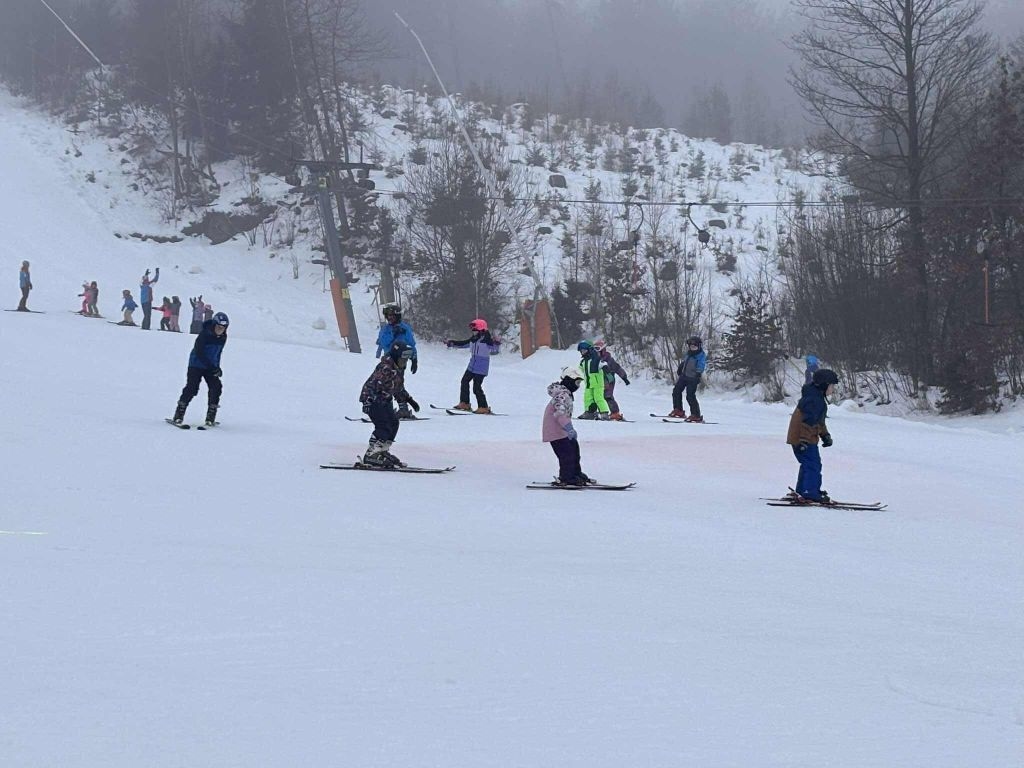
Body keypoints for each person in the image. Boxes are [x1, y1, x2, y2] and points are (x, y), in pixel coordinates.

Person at [358, 340, 420, 467]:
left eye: (406, 359)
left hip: (384, 400)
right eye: (403, 359)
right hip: (372, 399)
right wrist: (370, 402)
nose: (405, 362)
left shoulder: (397, 368)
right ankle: (371, 454)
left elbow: (397, 387)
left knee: (393, 423)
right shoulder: (386, 368)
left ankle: (382, 450)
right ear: (396, 356)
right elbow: (377, 385)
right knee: (383, 425)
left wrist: (409, 400)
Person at [786, 368, 839, 503]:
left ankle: (803, 490)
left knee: (808, 464)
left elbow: (818, 421)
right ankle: (810, 492)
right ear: (823, 385)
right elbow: (808, 422)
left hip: (803, 437)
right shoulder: (814, 400)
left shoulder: (815, 397)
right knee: (813, 465)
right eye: (832, 386)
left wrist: (825, 435)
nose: (833, 389)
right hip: (804, 438)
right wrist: (803, 441)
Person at [171, 312, 230, 427]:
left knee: (216, 387)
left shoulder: (223, 337)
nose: (220, 330)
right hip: (196, 364)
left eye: (223, 328)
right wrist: (211, 366)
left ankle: (210, 417)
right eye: (218, 327)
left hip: (210, 367)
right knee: (192, 388)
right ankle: (179, 415)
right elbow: (199, 352)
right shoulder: (204, 334)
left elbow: (218, 353)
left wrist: (217, 367)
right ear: (214, 325)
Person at [542, 366, 591, 486]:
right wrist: (569, 429)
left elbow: (565, 415)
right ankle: (566, 476)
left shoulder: (566, 394)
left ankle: (575, 472)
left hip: (562, 432)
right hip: (555, 433)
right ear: (569, 380)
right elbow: (560, 414)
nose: (578, 386)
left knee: (574, 449)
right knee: (566, 454)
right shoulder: (562, 395)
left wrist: (569, 429)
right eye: (577, 382)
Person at [446, 318, 500, 414]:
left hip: (481, 368)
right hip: (472, 365)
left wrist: (497, 343)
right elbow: (463, 344)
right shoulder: (474, 339)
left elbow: (495, 350)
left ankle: (483, 407)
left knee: (476, 387)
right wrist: (452, 343)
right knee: (464, 381)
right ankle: (465, 403)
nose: (473, 332)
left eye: (475, 330)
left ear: (481, 330)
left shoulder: (487, 340)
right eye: (473, 331)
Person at [669, 336, 707, 422]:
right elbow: (685, 361)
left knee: (690, 396)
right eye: (691, 346)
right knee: (676, 391)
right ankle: (678, 410)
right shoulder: (689, 353)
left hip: (693, 378)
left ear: (699, 346)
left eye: (695, 346)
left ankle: (696, 415)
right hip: (684, 376)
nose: (693, 348)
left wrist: (698, 373)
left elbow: (701, 364)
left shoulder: (701, 355)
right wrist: (681, 367)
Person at [593, 339, 631, 420]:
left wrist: (624, 378)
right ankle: (602, 412)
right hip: (599, 381)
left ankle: (615, 413)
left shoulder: (608, 359)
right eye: (594, 349)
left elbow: (617, 368)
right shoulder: (594, 359)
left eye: (597, 349)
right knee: (598, 397)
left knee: (608, 396)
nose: (595, 351)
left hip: (608, 381)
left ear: (602, 349)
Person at [576, 340, 611, 420]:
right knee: (587, 398)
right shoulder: (583, 362)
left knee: (598, 398)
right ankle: (589, 413)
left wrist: (607, 372)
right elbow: (579, 371)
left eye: (584, 350)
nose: (582, 352)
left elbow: (604, 364)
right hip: (588, 384)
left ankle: (604, 413)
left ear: (590, 350)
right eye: (581, 351)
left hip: (598, 384)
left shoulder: (596, 359)